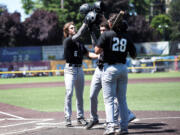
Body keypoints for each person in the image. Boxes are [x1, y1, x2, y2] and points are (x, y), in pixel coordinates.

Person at [86, 21, 136, 130]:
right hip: (121, 67)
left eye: (104, 28)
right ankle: (123, 128)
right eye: (101, 30)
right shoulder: (125, 36)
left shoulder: (107, 36)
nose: (102, 31)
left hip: (109, 68)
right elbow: (134, 54)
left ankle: (110, 126)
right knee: (121, 99)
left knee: (109, 100)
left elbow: (97, 50)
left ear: (111, 25)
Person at [63, 21, 98, 127]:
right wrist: (85, 23)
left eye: (74, 27)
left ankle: (80, 117)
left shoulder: (79, 43)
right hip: (70, 70)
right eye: (71, 28)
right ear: (67, 31)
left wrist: (99, 56)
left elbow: (88, 54)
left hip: (79, 69)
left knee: (80, 95)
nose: (74, 29)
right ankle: (67, 117)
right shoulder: (68, 40)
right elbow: (78, 35)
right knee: (69, 93)